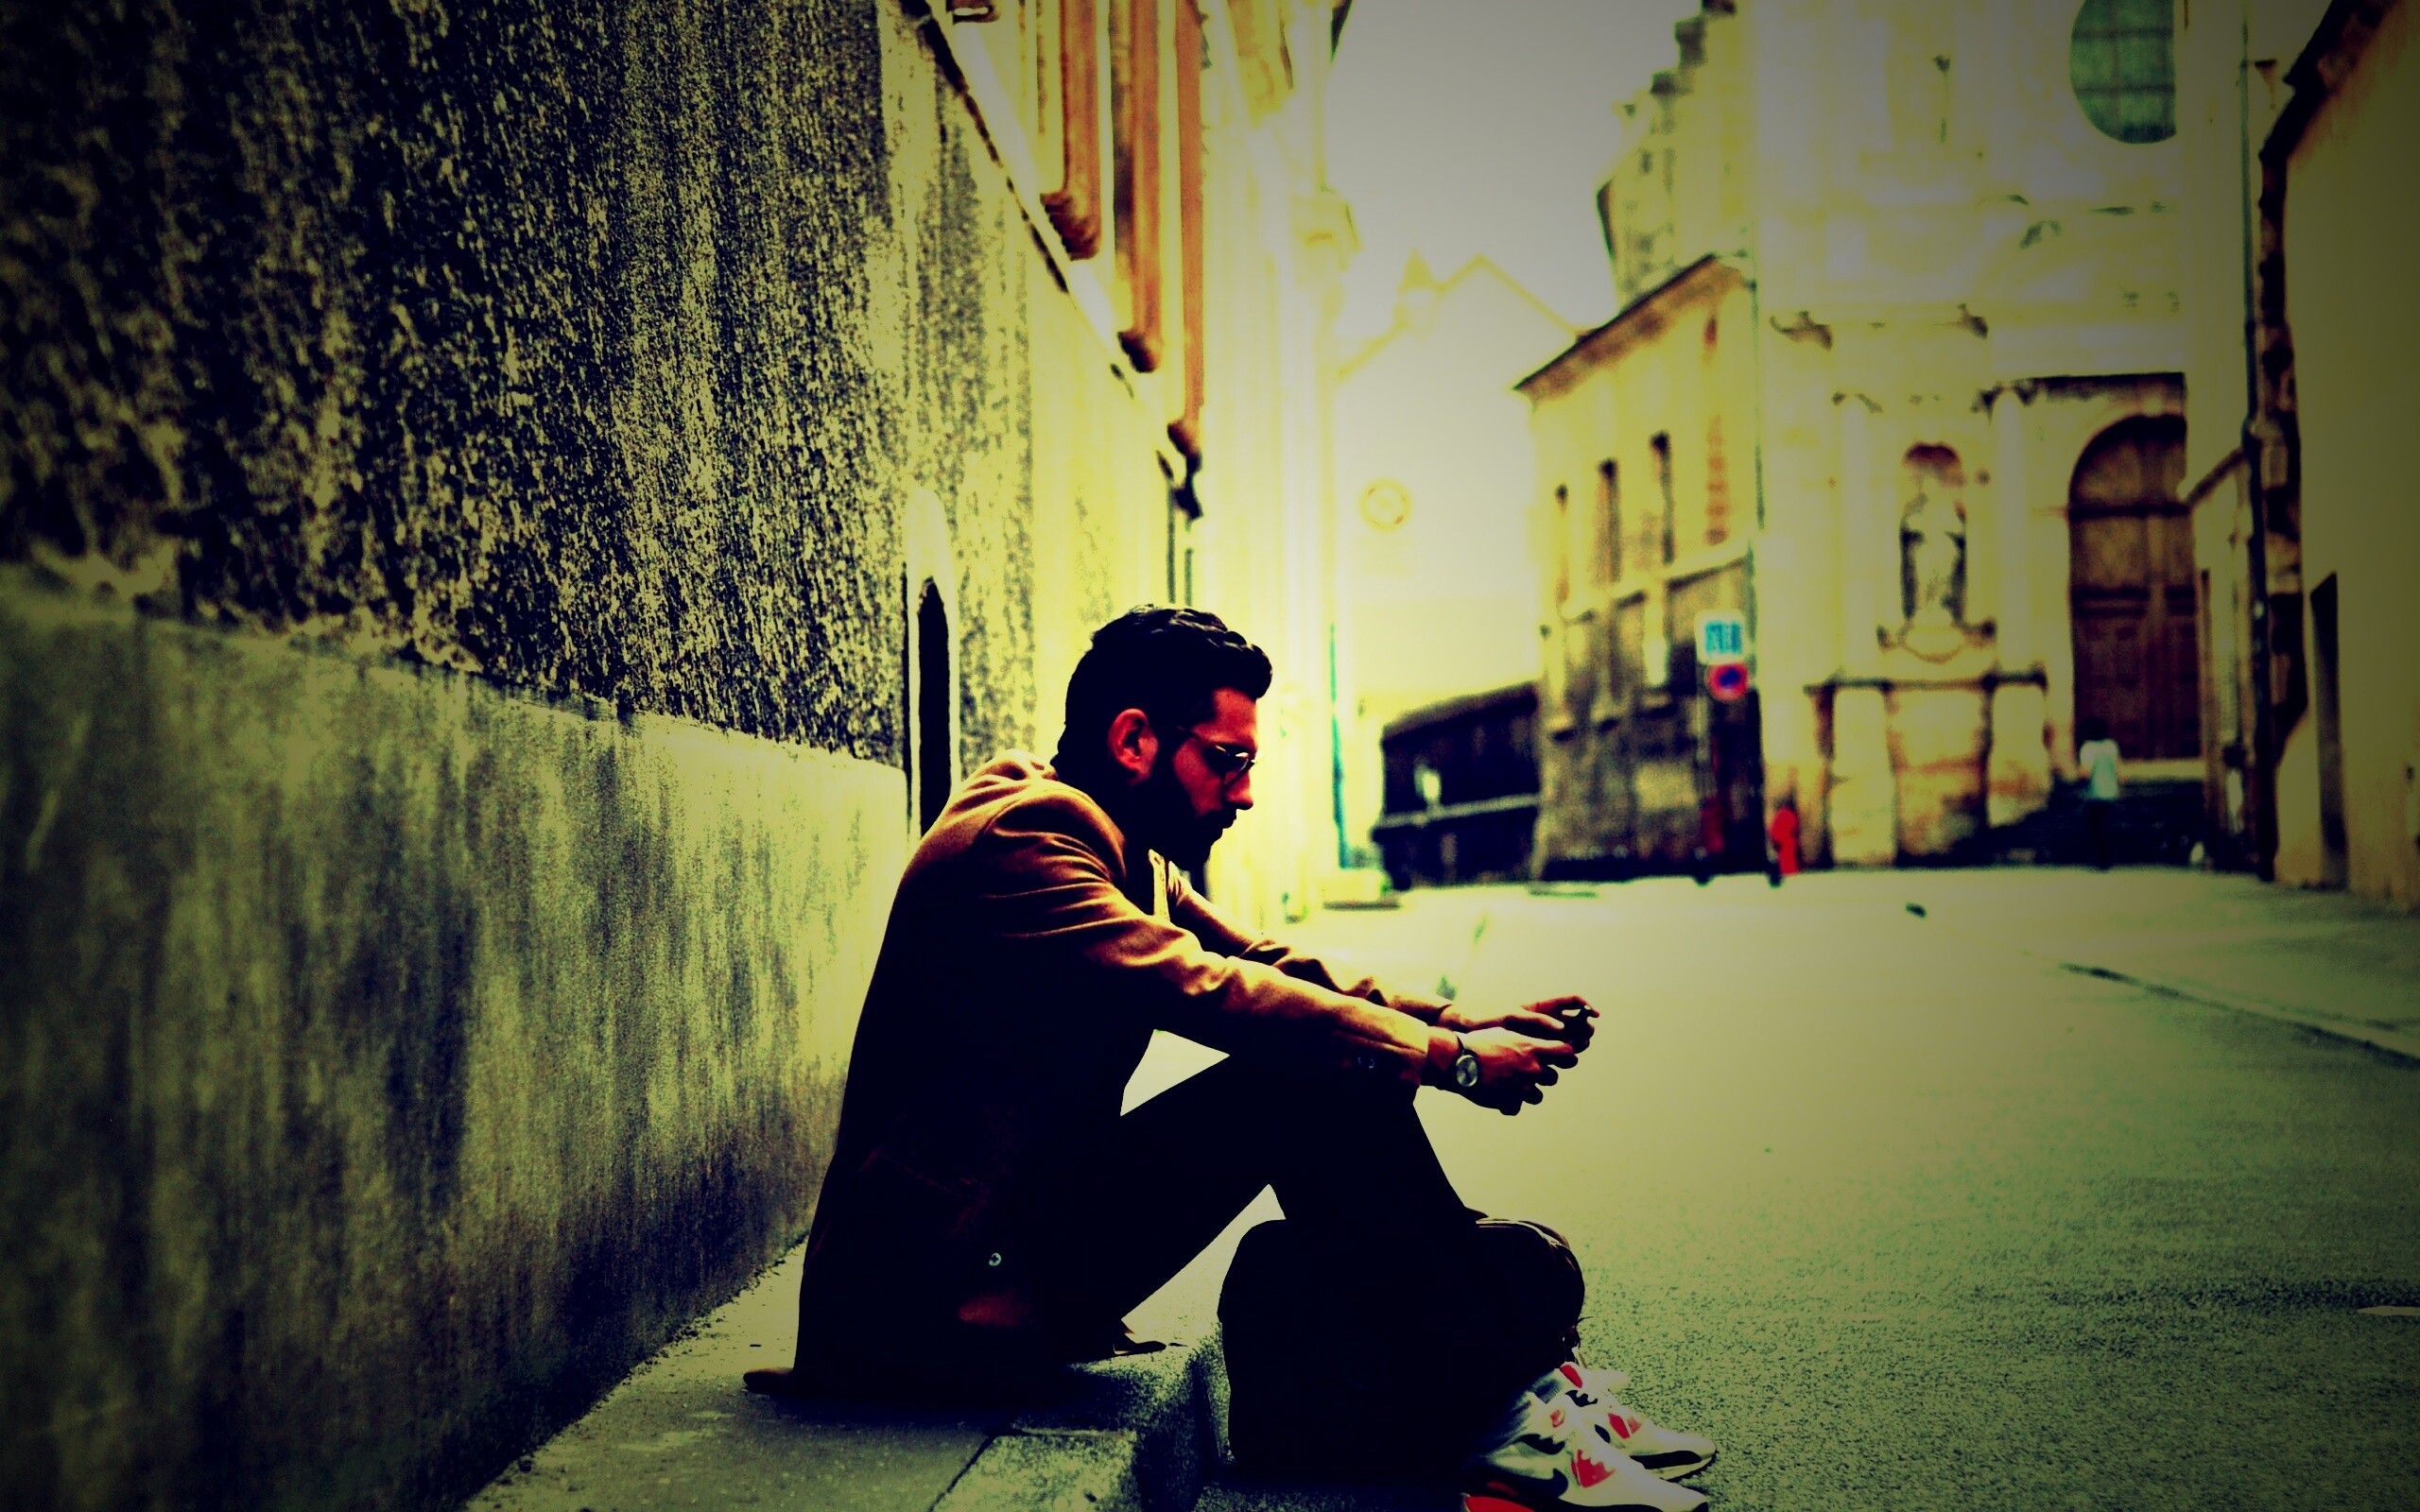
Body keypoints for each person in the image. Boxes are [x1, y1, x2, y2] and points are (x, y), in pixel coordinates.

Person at [745, 607, 1716, 1510]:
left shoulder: (1117, 844)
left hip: (1018, 1249)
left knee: (1316, 1055)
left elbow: (1265, 963)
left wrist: (1458, 1017)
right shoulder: (1026, 843)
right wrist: (1448, 1060)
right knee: (1293, 1076)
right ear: (1134, 741)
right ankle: (1500, 1407)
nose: (1244, 792)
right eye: (1226, 761)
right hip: (932, 1294)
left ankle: (1518, 1387)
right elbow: (1209, 992)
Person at [2077, 717, 2122, 870]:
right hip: (2110, 791)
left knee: (2095, 827)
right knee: (2106, 825)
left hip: (2094, 793)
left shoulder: (2088, 748)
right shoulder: (2111, 746)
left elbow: (2086, 771)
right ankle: (2107, 858)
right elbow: (2118, 768)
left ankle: (2100, 859)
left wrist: (2078, 777)